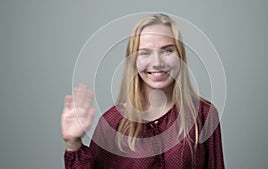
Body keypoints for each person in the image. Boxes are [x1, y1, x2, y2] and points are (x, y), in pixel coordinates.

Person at [61, 13, 225, 169]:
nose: (157, 63)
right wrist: (73, 143)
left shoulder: (204, 115)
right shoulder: (112, 122)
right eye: (145, 53)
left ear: (180, 56)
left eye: (167, 50)